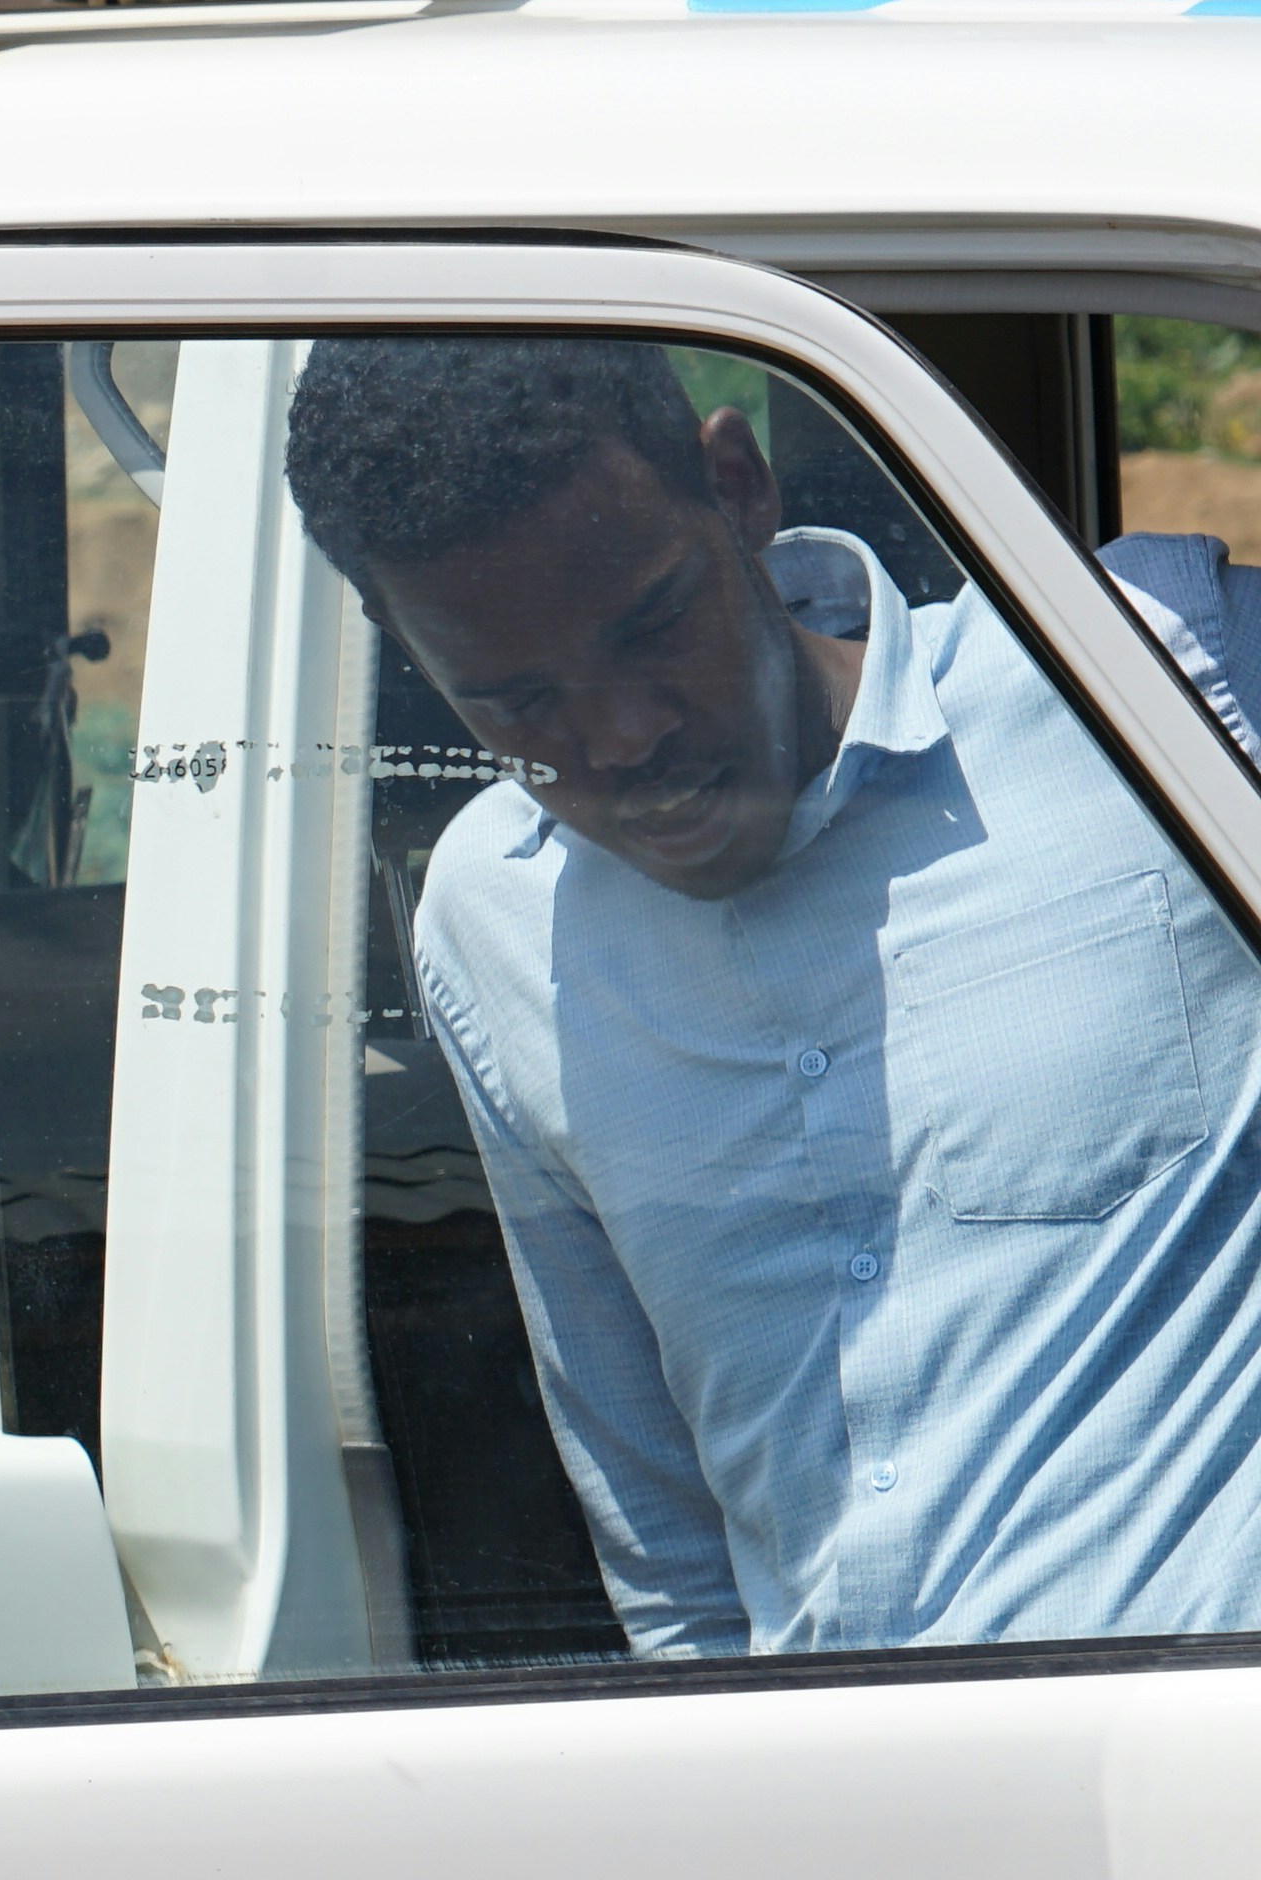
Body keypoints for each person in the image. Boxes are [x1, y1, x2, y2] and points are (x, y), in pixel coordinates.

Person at [287, 335, 1261, 1657]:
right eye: (517, 702)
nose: (620, 738)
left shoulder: (1164, 688)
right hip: (837, 1823)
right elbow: (658, 1529)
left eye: (651, 625)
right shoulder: (491, 915)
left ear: (738, 489)